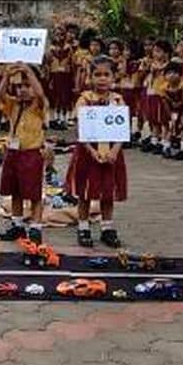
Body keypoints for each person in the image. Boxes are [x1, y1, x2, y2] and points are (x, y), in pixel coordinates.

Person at [66, 55, 127, 248]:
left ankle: (107, 228)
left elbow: (121, 129)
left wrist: (115, 150)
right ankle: (83, 227)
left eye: (106, 74)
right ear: (90, 77)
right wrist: (91, 151)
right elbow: (80, 129)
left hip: (111, 153)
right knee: (85, 192)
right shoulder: (84, 100)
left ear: (113, 77)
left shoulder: (118, 100)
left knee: (108, 192)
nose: (102, 79)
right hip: (87, 153)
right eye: (97, 74)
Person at [0, 62, 49, 243]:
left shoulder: (39, 105)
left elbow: (40, 93)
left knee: (34, 193)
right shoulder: (14, 104)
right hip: (13, 153)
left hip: (32, 154)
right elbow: (0, 95)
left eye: (27, 86)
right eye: (19, 86)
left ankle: (35, 226)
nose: (23, 90)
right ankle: (17, 224)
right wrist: (6, 75)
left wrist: (27, 70)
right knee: (15, 191)